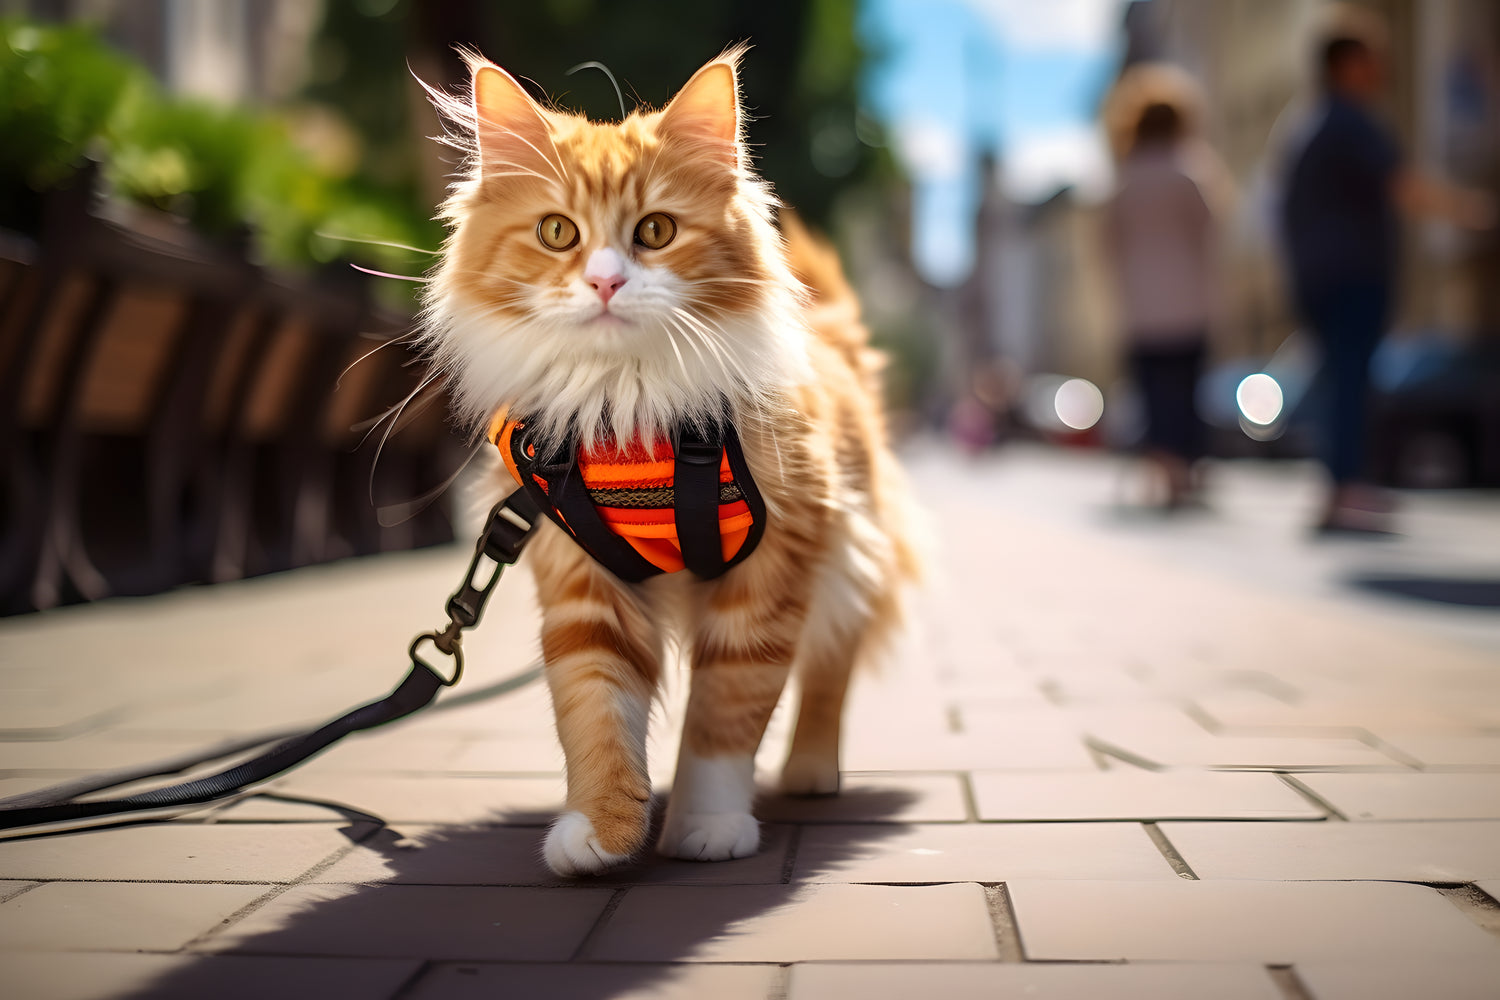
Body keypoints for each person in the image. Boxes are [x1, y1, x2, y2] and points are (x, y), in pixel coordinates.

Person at [1280, 12, 1492, 533]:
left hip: (1319, 275)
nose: (1383, 69)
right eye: (1373, 59)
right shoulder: (1351, 121)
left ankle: (1339, 489)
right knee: (1352, 380)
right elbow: (1406, 186)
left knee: (1339, 380)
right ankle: (1347, 488)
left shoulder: (1309, 125)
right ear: (1348, 64)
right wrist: (1475, 211)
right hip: (1351, 273)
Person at [1104, 69, 1225, 509]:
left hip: (1143, 309)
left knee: (1155, 396)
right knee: (1187, 394)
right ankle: (1185, 473)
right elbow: (1209, 231)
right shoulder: (1190, 173)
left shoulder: (1124, 182)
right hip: (1189, 304)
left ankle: (1164, 470)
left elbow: (1109, 246)